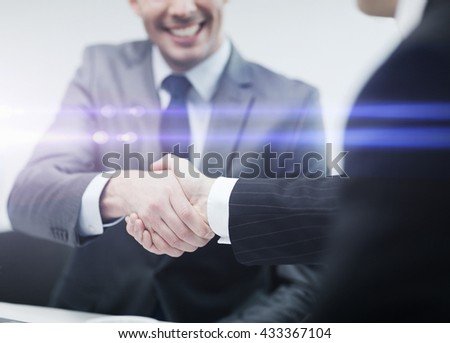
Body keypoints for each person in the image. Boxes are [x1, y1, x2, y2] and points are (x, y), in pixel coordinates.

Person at [128, 0, 450, 321]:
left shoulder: (428, 61)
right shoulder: (104, 74)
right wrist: (213, 198)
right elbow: (388, 206)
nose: (181, 8)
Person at [7, 0, 327, 322]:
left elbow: (312, 274)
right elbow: (28, 196)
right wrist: (120, 190)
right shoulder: (101, 70)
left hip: (225, 323)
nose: (183, 8)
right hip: (92, 319)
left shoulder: (292, 103)